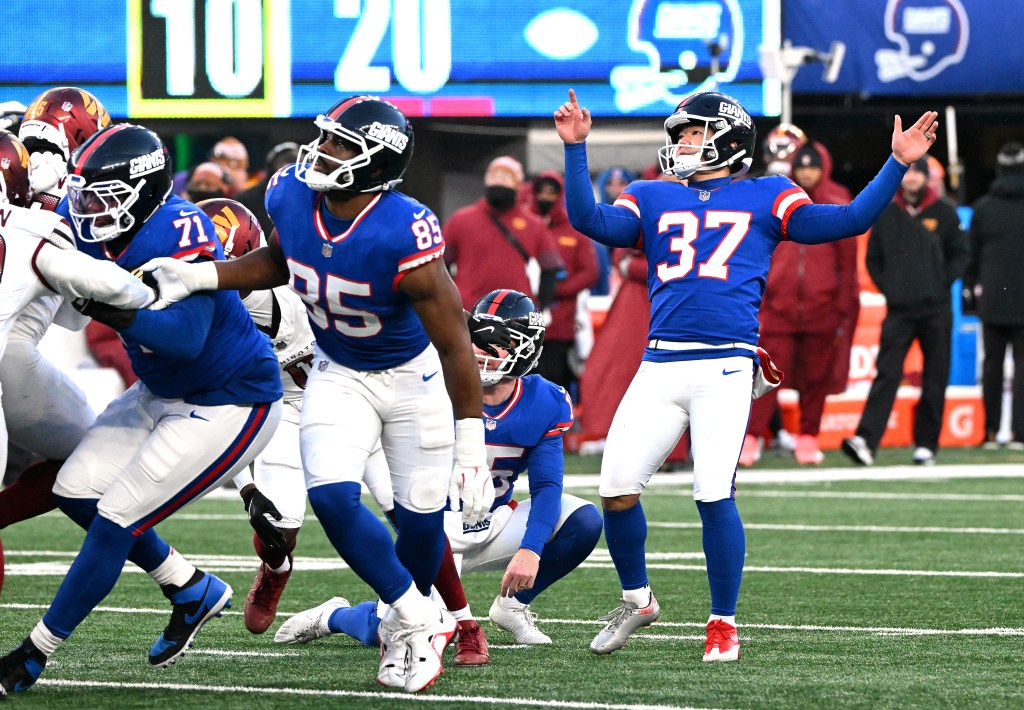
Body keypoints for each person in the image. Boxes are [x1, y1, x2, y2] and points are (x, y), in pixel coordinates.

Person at [554, 87, 939, 661]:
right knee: (615, 491)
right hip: (659, 361)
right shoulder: (652, 196)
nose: (678, 143)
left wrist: (897, 162)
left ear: (729, 142)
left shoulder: (768, 194)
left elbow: (852, 219)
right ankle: (637, 600)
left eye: (690, 133)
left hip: (726, 365)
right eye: (678, 134)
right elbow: (587, 218)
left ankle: (722, 621)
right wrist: (576, 151)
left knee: (713, 494)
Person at [141, 95, 494, 693]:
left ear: (375, 163)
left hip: (413, 380)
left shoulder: (402, 228)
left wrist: (471, 441)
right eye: (324, 136)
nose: (321, 150)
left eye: (339, 143)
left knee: (418, 519)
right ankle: (411, 618)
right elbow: (277, 260)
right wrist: (201, 275)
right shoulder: (290, 195)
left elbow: (456, 341)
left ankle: (416, 617)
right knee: (331, 497)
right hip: (338, 373)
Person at [0, 124, 284, 698]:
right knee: (75, 490)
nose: (90, 211)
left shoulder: (181, 227)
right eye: (86, 196)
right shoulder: (89, 220)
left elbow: (183, 336)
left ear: (145, 190)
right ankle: (188, 587)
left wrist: (114, 310)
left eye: (103, 197)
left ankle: (31, 656)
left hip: (230, 397)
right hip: (159, 390)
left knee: (115, 520)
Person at [273, 290, 602, 658]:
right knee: (389, 633)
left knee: (583, 520)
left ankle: (512, 607)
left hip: (491, 522)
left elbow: (547, 487)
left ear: (525, 349)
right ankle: (334, 616)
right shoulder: (434, 382)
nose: (480, 351)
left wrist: (529, 549)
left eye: (496, 345)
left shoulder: (544, 401)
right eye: (477, 340)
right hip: (430, 531)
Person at [0, 87, 111, 567]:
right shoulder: (73, 198)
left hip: (16, 349)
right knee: (96, 456)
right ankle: (176, 576)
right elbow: (73, 314)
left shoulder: (14, 158)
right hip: (13, 349)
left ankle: (181, 580)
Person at [842, 156, 968, 467]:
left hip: (936, 310)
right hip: (899, 310)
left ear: (926, 178)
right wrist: (893, 289)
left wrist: (939, 283)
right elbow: (873, 260)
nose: (911, 179)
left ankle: (927, 445)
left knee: (935, 376)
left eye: (917, 174)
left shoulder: (945, 213)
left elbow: (961, 255)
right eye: (908, 173)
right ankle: (866, 442)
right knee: (887, 374)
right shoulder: (887, 211)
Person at [740, 142, 860, 466]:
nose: (807, 172)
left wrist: (842, 309)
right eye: (802, 166)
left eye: (813, 166)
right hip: (779, 309)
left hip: (822, 310)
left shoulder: (838, 203)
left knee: (816, 380)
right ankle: (751, 436)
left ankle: (808, 437)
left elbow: (847, 267)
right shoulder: (776, 202)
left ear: (824, 168)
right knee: (764, 378)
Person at [443, 155, 564, 310]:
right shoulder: (460, 220)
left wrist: (537, 307)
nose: (498, 181)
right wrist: (454, 300)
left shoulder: (534, 225)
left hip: (515, 313)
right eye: (493, 176)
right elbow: (441, 265)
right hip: (469, 311)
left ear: (518, 185)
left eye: (506, 177)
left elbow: (550, 269)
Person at [964, 142, 1024, 448]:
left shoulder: (984, 208)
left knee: (992, 366)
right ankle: (1019, 433)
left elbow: (970, 257)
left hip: (995, 299)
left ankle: (989, 431)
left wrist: (971, 288)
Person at [523, 172, 598, 397]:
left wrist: (557, 290)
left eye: (551, 192)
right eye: (542, 192)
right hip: (524, 316)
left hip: (560, 321)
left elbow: (590, 271)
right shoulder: (521, 223)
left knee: (556, 378)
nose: (546, 196)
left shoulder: (572, 228)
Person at [235, 141, 301, 237]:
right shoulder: (244, 202)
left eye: (293, 172)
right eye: (285, 173)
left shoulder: (313, 200)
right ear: (271, 172)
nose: (289, 180)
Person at [591, 167, 638, 296]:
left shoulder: (641, 217)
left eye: (621, 184)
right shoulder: (593, 219)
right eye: (610, 184)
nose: (615, 189)